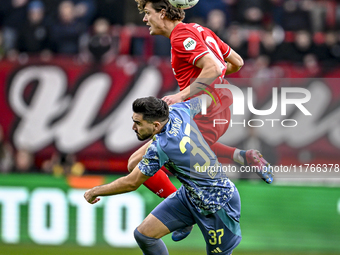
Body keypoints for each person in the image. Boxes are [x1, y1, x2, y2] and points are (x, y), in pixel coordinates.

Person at [131, 0, 273, 241]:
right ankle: (243, 156)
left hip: (206, 108)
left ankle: (181, 216)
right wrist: (212, 80)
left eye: (147, 13)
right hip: (218, 105)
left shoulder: (180, 36)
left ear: (163, 13)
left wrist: (182, 94)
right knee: (189, 151)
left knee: (137, 162)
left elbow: (214, 65)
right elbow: (236, 63)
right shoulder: (200, 29)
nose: (145, 19)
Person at [84, 96, 242, 255]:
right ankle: (185, 222)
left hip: (219, 205)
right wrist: (180, 99)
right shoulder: (178, 110)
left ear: (156, 125)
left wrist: (94, 191)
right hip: (189, 196)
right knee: (144, 235)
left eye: (138, 123)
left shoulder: (161, 147)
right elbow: (207, 99)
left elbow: (131, 183)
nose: (133, 127)